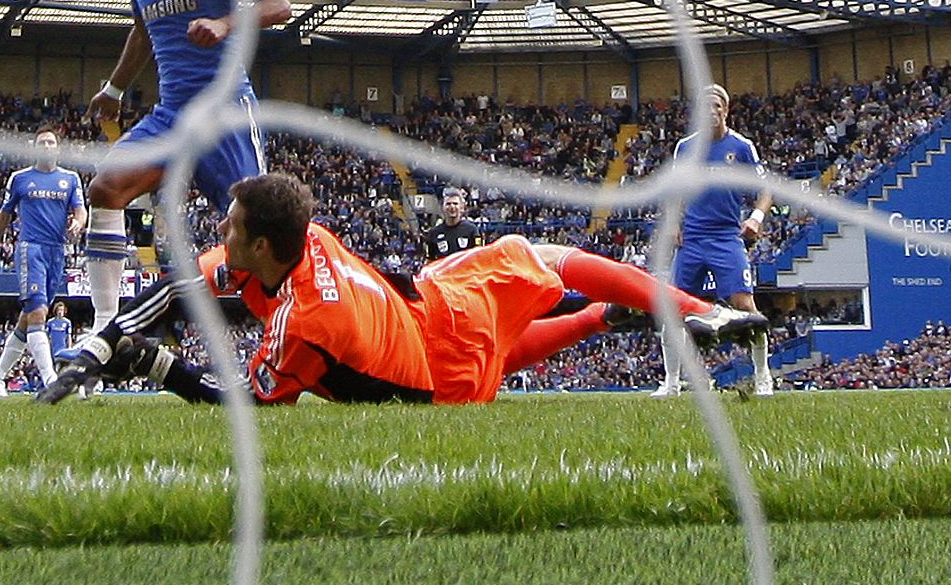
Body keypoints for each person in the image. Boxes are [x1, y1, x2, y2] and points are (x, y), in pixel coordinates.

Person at [39, 173, 767, 405]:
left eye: (229, 226)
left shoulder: (304, 324)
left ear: (260, 247)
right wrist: (105, 341)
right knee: (547, 261)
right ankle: (684, 309)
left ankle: (618, 317)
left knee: (500, 350)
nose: (218, 233)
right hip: (434, 308)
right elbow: (178, 287)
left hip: (442, 376)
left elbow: (243, 400)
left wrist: (157, 365)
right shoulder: (305, 239)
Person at [82, 0, 292, 337]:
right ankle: (103, 328)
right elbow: (143, 32)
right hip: (173, 114)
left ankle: (293, 328)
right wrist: (114, 90)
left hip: (226, 112)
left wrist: (224, 23)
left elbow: (279, 6)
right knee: (106, 188)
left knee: (259, 227)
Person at [653, 83, 775, 399]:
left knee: (745, 305)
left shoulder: (742, 147)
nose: (711, 111)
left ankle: (763, 376)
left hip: (726, 238)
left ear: (726, 110)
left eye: (716, 106)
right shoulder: (685, 148)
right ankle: (671, 382)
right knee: (674, 308)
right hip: (692, 241)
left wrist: (755, 218)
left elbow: (765, 190)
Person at [0, 126, 87, 396]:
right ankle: (51, 381)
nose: (46, 147)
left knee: (27, 320)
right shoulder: (20, 179)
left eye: (51, 143)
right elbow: (4, 216)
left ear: (58, 148)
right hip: (31, 249)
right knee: (38, 313)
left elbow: (81, 210)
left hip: (56, 252)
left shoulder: (70, 178)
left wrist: (78, 223)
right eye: (42, 143)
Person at [423, 187, 481, 260]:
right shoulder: (434, 233)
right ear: (443, 207)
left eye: (455, 203)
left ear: (461, 207)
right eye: (448, 204)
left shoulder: (472, 230)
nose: (452, 207)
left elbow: (479, 256)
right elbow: (430, 260)